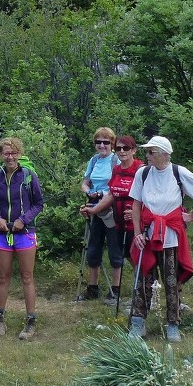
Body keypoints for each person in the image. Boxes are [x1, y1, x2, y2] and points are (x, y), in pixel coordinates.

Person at [128, 135, 193, 342]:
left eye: (152, 152)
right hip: (148, 234)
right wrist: (137, 233)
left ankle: (173, 324)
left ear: (165, 154)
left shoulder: (178, 172)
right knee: (143, 278)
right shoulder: (143, 173)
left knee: (171, 280)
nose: (147, 155)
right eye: (147, 151)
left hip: (170, 236)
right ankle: (137, 323)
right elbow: (136, 205)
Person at [0, 137, 44, 340]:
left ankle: (30, 321)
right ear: (1, 155)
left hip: (25, 232)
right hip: (2, 233)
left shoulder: (29, 175)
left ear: (19, 154)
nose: (10, 157)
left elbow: (39, 203)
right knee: (3, 277)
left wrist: (23, 219)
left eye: (13, 153)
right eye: (6, 153)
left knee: (27, 277)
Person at [83, 135, 144, 303]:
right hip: (119, 220)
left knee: (139, 258)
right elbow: (111, 194)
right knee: (128, 255)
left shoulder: (141, 169)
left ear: (134, 150)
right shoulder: (116, 170)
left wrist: (139, 213)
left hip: (136, 222)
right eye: (119, 148)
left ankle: (147, 293)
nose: (122, 151)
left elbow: (152, 195)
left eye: (126, 148)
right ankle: (142, 293)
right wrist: (93, 210)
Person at [76, 127, 121, 303]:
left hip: (111, 208)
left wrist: (102, 194)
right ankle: (92, 288)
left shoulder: (116, 160)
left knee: (114, 247)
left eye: (106, 142)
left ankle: (115, 289)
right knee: (93, 247)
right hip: (93, 206)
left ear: (112, 143)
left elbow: (117, 185)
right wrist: (89, 192)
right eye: (98, 142)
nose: (102, 145)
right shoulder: (94, 160)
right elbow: (85, 183)